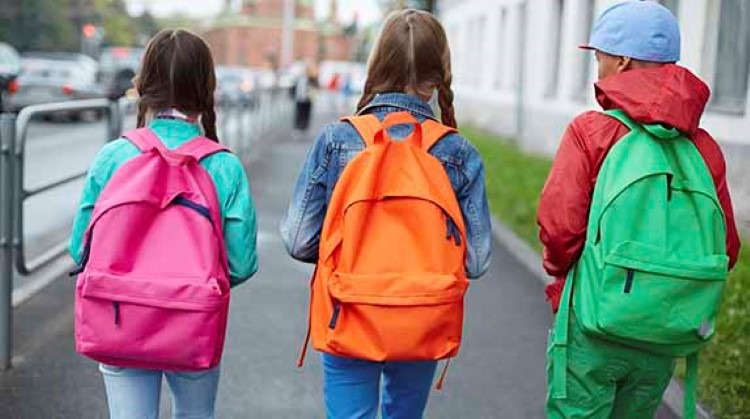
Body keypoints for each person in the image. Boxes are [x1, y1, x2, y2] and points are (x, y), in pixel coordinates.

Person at [280, 9, 491, 419]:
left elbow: (297, 239)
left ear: (377, 64)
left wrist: (352, 259)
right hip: (422, 313)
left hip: (348, 307)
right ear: (440, 73)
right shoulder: (458, 152)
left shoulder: (337, 139)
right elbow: (477, 261)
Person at [537, 2, 741, 418]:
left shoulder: (591, 133)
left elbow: (559, 231)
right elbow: (728, 248)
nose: (597, 68)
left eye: (599, 58)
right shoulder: (703, 149)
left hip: (594, 323)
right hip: (664, 331)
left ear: (621, 61)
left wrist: (562, 281)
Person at [69, 29, 258, 419]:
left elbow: (80, 251)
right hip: (193, 321)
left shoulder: (114, 156)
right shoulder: (223, 165)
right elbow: (240, 263)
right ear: (208, 86)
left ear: (142, 85)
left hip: (120, 318)